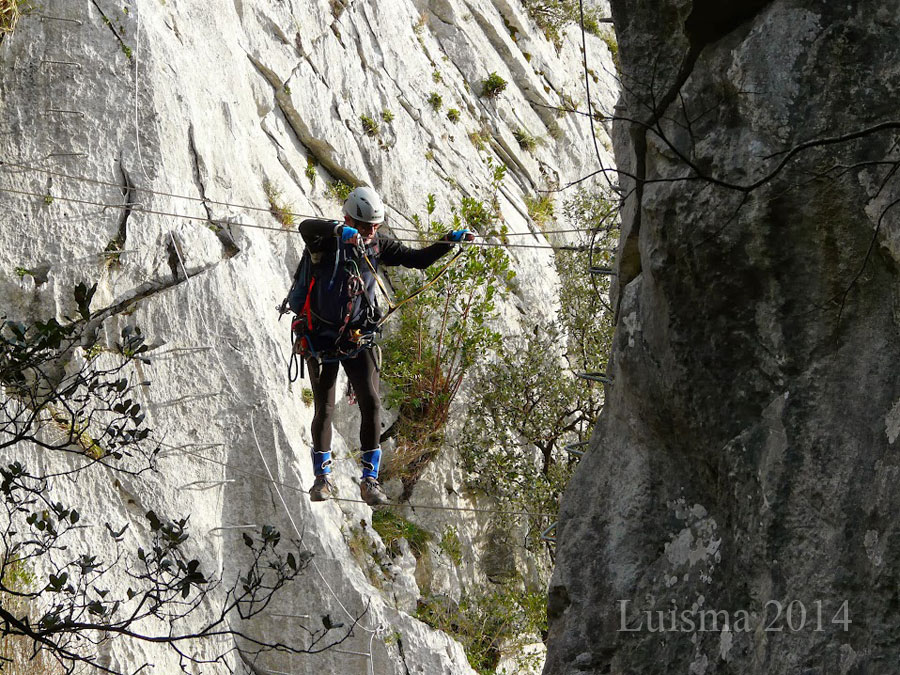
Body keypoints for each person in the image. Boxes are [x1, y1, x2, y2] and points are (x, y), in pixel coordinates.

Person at [292, 186, 474, 506]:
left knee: (372, 403)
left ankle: (369, 480)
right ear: (348, 218)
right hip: (319, 338)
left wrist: (449, 240)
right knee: (325, 407)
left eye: (375, 227)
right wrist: (342, 231)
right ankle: (321, 479)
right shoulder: (327, 240)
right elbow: (305, 227)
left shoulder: (376, 246)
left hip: (357, 337)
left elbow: (417, 260)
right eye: (365, 226)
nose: (370, 232)